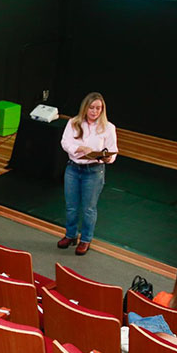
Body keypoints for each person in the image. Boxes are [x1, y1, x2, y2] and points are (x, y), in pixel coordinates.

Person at [58, 91, 118, 255]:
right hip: (73, 168)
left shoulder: (108, 128)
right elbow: (65, 142)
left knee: (88, 209)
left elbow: (112, 152)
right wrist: (80, 148)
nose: (95, 111)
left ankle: (85, 239)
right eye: (91, 108)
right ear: (85, 108)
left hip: (93, 171)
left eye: (98, 108)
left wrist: (107, 159)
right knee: (71, 207)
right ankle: (70, 235)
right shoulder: (73, 123)